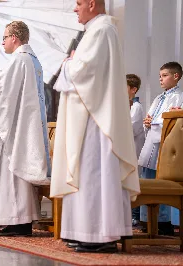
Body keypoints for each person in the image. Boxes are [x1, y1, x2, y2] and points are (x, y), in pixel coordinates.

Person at [50, 0, 140, 253]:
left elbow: (83, 72)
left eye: (78, 3)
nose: (74, 9)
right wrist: (72, 62)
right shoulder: (96, 31)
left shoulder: (102, 30)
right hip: (91, 117)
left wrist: (69, 63)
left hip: (96, 122)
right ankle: (84, 231)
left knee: (93, 173)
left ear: (92, 3)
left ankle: (101, 234)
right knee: (86, 173)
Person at [0, 21, 51, 236]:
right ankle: (19, 221)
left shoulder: (19, 60)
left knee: (11, 174)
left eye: (5, 37)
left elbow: (3, 96)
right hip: (23, 123)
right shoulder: (31, 60)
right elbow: (8, 89)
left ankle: (18, 222)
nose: (3, 41)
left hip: (15, 126)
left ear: (15, 37)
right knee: (16, 176)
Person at [138, 61, 183, 235]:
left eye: (164, 76)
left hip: (166, 146)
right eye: (160, 76)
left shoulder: (179, 96)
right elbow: (151, 118)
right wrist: (148, 122)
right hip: (151, 143)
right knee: (148, 179)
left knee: (163, 181)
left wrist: (155, 122)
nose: (161, 79)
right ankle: (146, 220)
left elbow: (174, 120)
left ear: (176, 76)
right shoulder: (159, 98)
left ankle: (165, 223)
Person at [126, 74, 145, 228]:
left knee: (134, 179)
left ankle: (135, 216)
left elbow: (131, 129)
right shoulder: (123, 104)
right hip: (127, 148)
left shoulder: (136, 107)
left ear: (133, 89)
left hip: (134, 149)